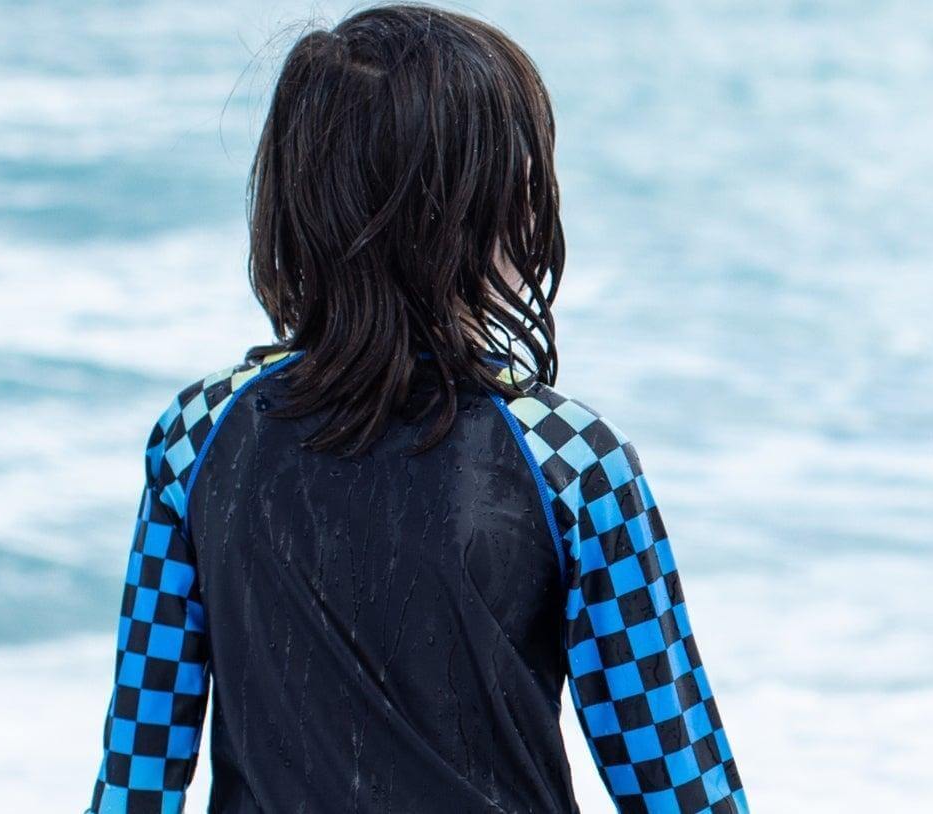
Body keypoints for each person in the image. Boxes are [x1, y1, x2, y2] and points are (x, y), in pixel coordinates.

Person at [84, 5, 743, 812]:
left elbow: (136, 775)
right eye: (524, 179)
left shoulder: (198, 435)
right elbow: (679, 784)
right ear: (480, 210)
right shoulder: (569, 459)